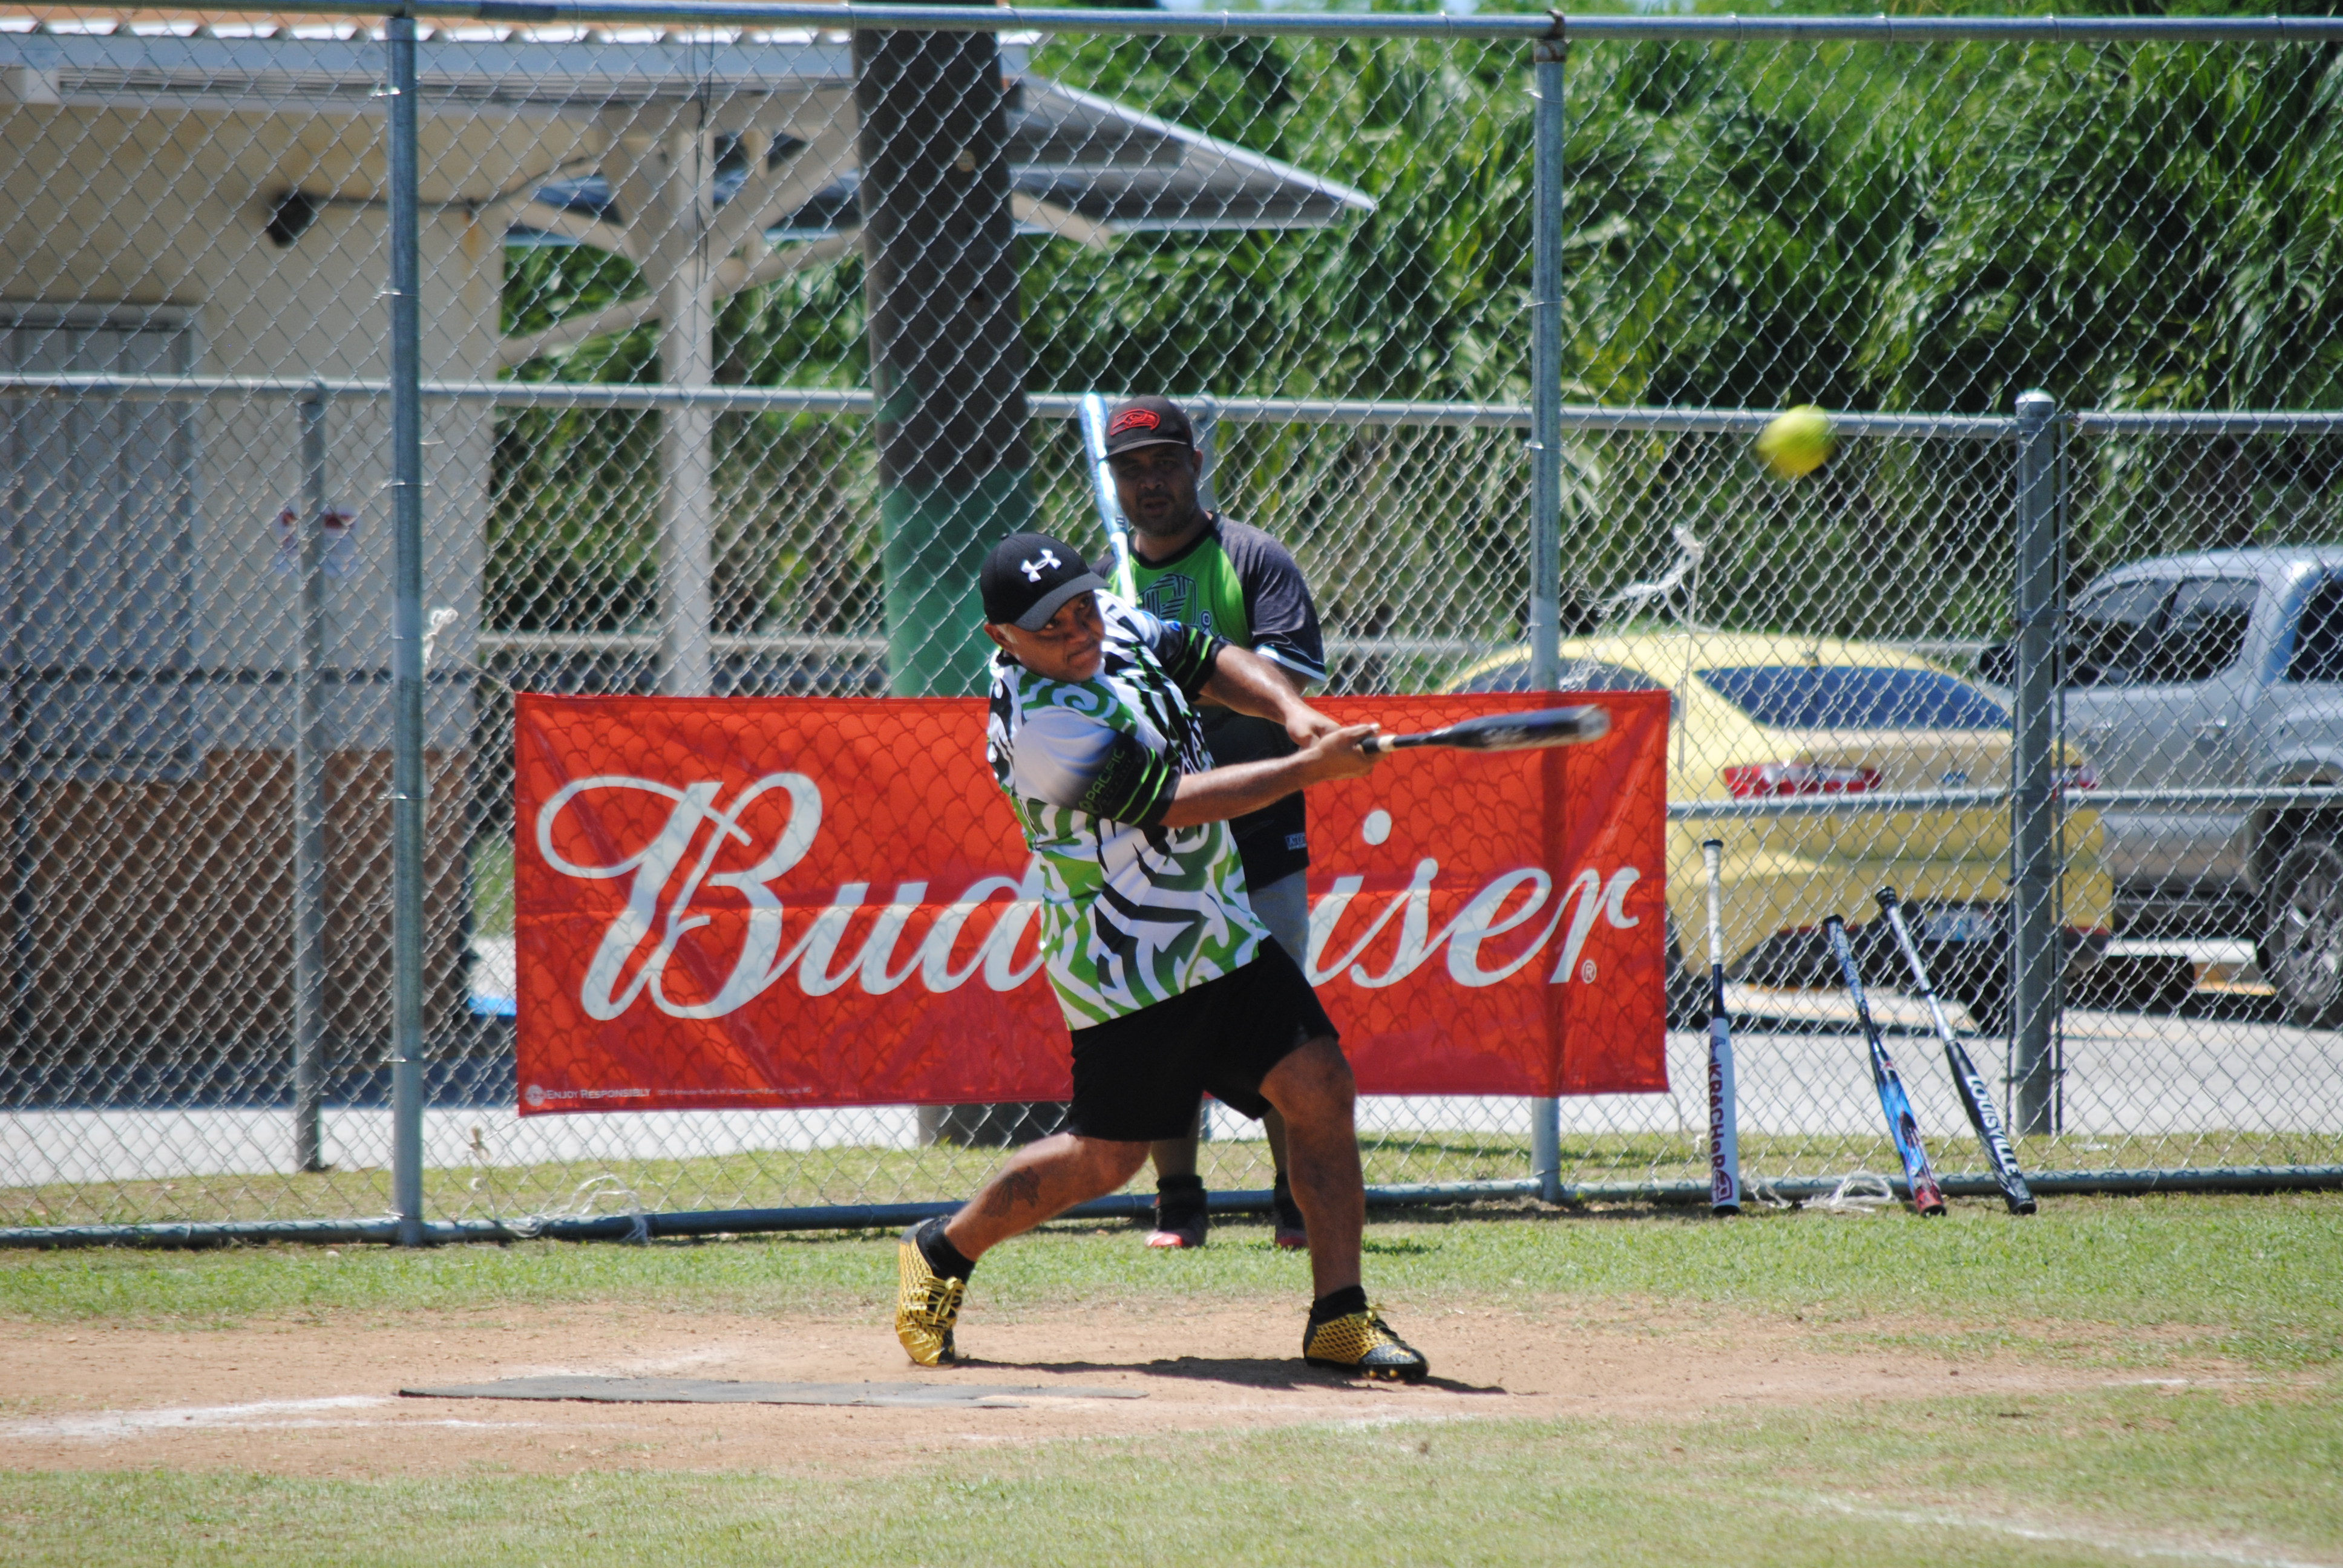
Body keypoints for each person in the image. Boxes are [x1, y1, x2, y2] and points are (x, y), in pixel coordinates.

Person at [892, 532, 1429, 1383]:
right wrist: (1310, 769)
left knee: (1320, 1084)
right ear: (1003, 638)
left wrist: (1290, 709)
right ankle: (944, 1249)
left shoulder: (1104, 619)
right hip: (1126, 963)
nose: (1079, 629)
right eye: (1052, 624)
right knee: (1109, 1159)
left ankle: (1340, 1314)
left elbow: (1209, 657)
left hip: (1220, 926)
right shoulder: (1034, 729)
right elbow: (1172, 804)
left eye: (1079, 605)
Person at [1096, 394, 1326, 1253]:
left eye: (1164, 464)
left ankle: (1296, 1202)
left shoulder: (1254, 559)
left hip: (1262, 821)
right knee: (1165, 1012)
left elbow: (1282, 679)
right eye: (1130, 470)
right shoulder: (1103, 585)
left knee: (1279, 1015)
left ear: (1196, 465)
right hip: (1156, 833)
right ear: (1113, 482)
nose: (1149, 483)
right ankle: (1179, 1202)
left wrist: (1166, 670)